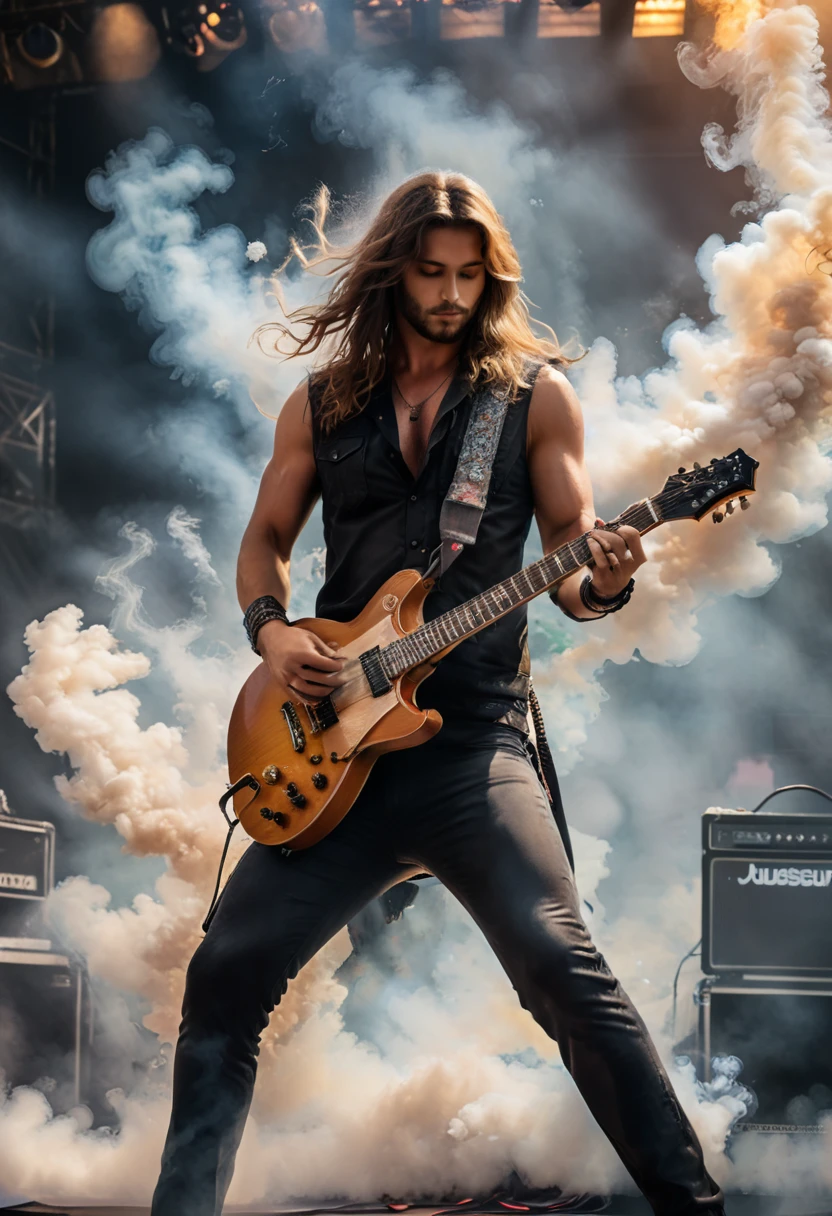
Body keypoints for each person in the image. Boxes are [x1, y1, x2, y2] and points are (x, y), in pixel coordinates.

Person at [151, 171, 725, 1216]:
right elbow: (263, 544)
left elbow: (577, 564)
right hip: (334, 757)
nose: (452, 294)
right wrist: (273, 634)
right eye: (431, 273)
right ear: (393, 271)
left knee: (562, 968)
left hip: (471, 748)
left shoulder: (534, 397)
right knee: (223, 981)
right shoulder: (323, 403)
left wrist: (607, 569)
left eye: (469, 276)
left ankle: (694, 1205)